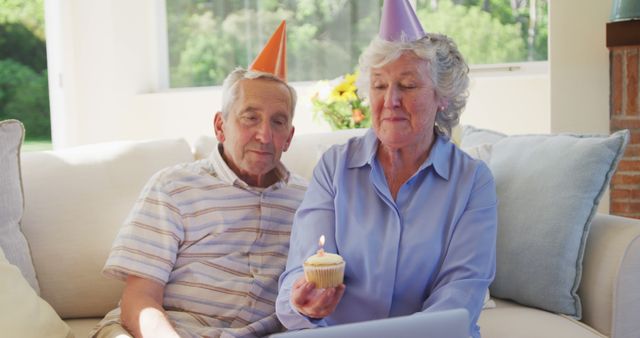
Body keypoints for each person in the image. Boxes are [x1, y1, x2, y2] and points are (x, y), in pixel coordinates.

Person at [275, 2, 497, 338]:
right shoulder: (335, 168)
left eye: (407, 86)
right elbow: (303, 267)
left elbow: (459, 295)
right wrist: (303, 302)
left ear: (443, 98)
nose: (390, 100)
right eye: (379, 85)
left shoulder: (471, 181)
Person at [91, 21, 308, 338]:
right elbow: (140, 299)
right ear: (221, 126)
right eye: (250, 118)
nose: (265, 135)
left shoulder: (308, 199)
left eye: (278, 122)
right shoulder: (173, 187)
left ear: (288, 137)